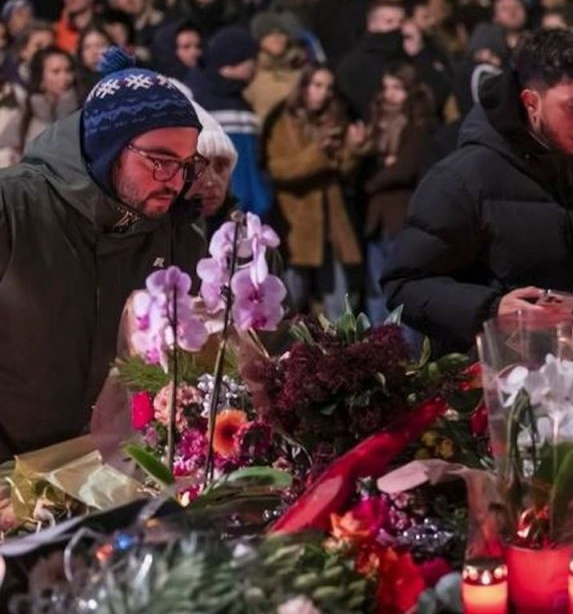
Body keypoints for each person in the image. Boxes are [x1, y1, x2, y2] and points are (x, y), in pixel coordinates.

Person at [0, 48, 206, 458]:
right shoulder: (13, 207)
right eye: (160, 161)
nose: (175, 181)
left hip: (115, 471)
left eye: (187, 165)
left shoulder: (178, 236)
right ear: (108, 148)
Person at [381, 27, 573, 354]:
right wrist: (492, 309)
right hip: (491, 375)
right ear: (531, 102)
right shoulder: (461, 179)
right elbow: (403, 284)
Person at [264, 64, 366, 316]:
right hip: (297, 223)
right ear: (304, 87)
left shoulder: (335, 120)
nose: (324, 93)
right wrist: (318, 153)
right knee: (290, 301)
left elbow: (343, 173)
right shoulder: (284, 120)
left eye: (329, 88)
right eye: (317, 85)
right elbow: (279, 169)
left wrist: (353, 150)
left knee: (339, 305)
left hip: (331, 225)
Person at [363, 63, 436, 324]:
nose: (389, 94)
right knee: (376, 288)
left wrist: (375, 180)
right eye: (386, 87)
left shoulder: (418, 123)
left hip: (402, 214)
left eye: (397, 88)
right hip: (377, 218)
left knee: (401, 290)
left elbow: (406, 167)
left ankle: (403, 345)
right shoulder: (376, 123)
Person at [186, 26, 273, 218]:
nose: (255, 67)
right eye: (252, 60)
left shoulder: (244, 104)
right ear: (237, 60)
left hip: (254, 208)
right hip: (219, 210)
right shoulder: (199, 101)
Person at [2, 47, 80, 159]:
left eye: (68, 70)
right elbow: (6, 152)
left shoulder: (81, 112)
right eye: (56, 72)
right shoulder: (26, 114)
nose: (65, 77)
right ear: (40, 77)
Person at [76, 24, 117, 94]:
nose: (93, 52)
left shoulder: (124, 79)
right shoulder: (75, 84)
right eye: (87, 47)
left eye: (99, 45)